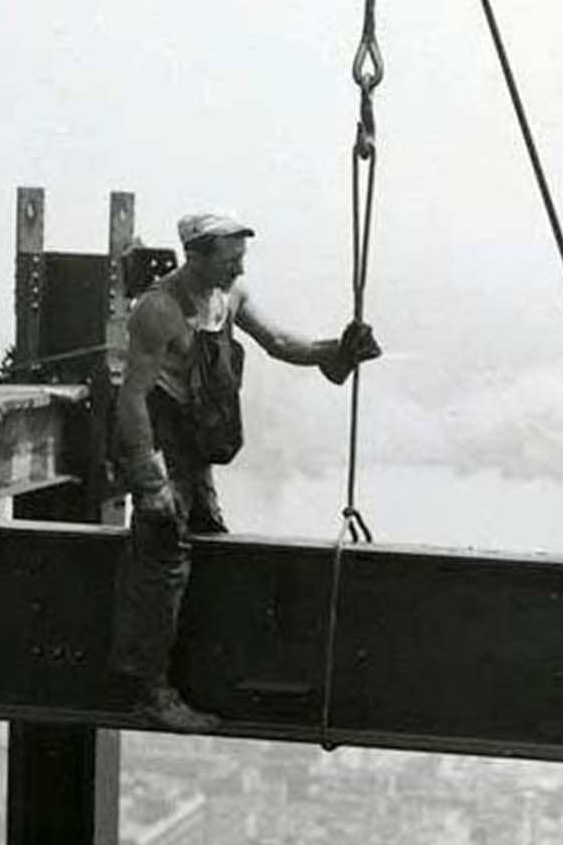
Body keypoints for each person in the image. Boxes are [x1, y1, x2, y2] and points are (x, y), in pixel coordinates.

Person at [109, 213, 382, 731]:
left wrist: (335, 350)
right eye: (230, 256)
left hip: (194, 441)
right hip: (163, 442)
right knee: (162, 555)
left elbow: (279, 343)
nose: (239, 265)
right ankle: (149, 690)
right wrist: (149, 482)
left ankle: (194, 673)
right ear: (198, 254)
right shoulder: (159, 310)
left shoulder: (228, 295)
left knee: (207, 541)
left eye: (241, 256)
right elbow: (132, 400)